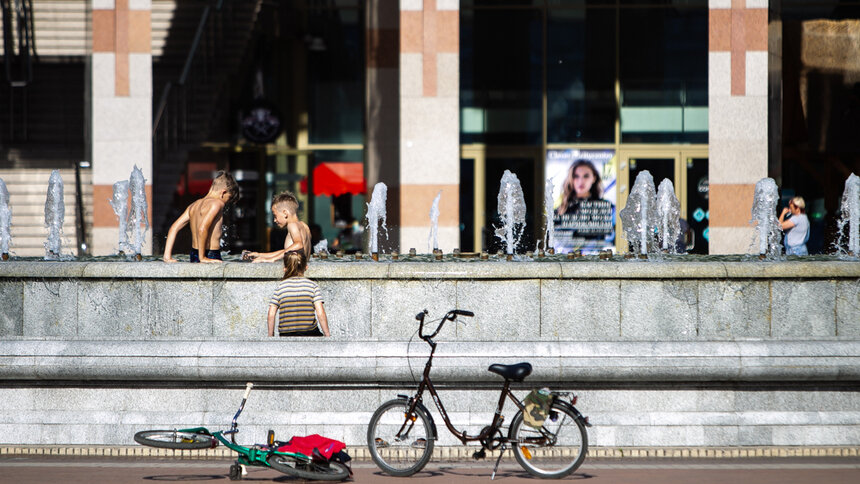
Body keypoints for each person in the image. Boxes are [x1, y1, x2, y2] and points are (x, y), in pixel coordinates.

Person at [163, 171, 239, 263]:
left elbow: (174, 228)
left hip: (194, 254)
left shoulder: (193, 205)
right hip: (210, 254)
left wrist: (167, 256)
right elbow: (202, 229)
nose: (227, 203)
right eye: (229, 198)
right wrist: (203, 257)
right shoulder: (217, 204)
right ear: (223, 193)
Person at [267, 250, 331, 337]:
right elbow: (320, 313)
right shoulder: (312, 286)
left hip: (286, 334)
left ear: (285, 269)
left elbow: (271, 314)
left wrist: (270, 336)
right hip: (309, 332)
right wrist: (327, 335)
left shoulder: (280, 287)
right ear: (306, 267)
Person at [245, 191, 312, 262]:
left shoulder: (292, 225)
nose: (274, 220)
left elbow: (298, 244)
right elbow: (287, 251)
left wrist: (272, 259)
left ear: (285, 213)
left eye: (275, 216)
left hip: (293, 272)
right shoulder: (304, 226)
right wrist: (260, 255)